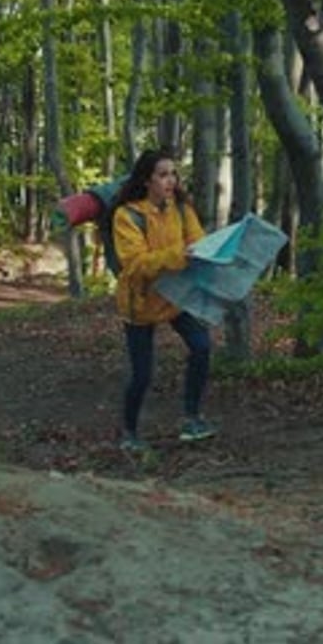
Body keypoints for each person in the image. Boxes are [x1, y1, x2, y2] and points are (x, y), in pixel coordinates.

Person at [112, 147, 218, 451]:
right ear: (147, 180)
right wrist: (180, 255)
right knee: (142, 374)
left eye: (173, 174)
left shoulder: (182, 209)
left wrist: (211, 252)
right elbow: (136, 264)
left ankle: (192, 419)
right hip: (140, 302)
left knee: (201, 346)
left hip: (175, 297)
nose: (171, 180)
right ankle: (129, 434)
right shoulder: (127, 215)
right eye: (162, 175)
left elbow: (198, 242)